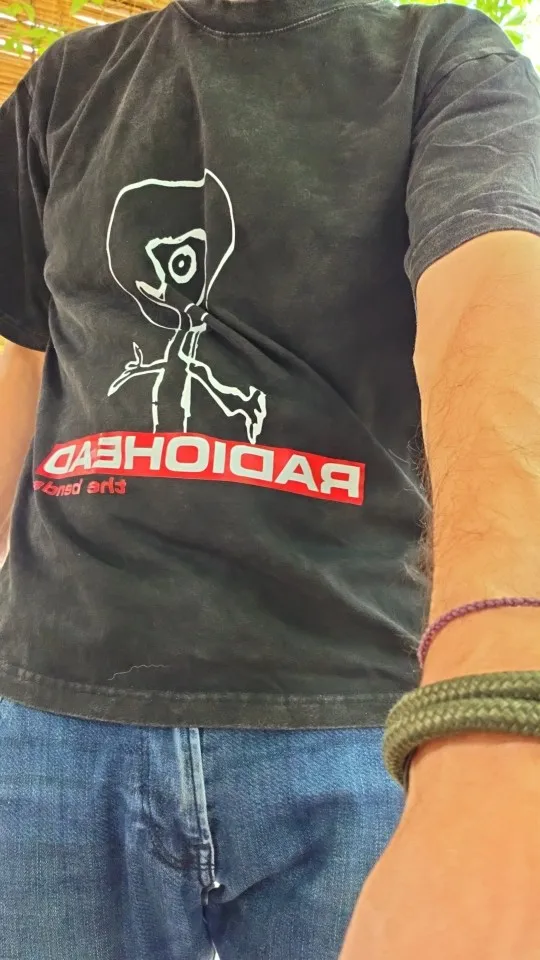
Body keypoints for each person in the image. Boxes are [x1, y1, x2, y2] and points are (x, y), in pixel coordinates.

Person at [1, 0, 540, 955]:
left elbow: (493, 310)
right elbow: (17, 353)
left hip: (355, 720)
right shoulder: (62, 85)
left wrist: (495, 694)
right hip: (50, 717)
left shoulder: (443, 56)